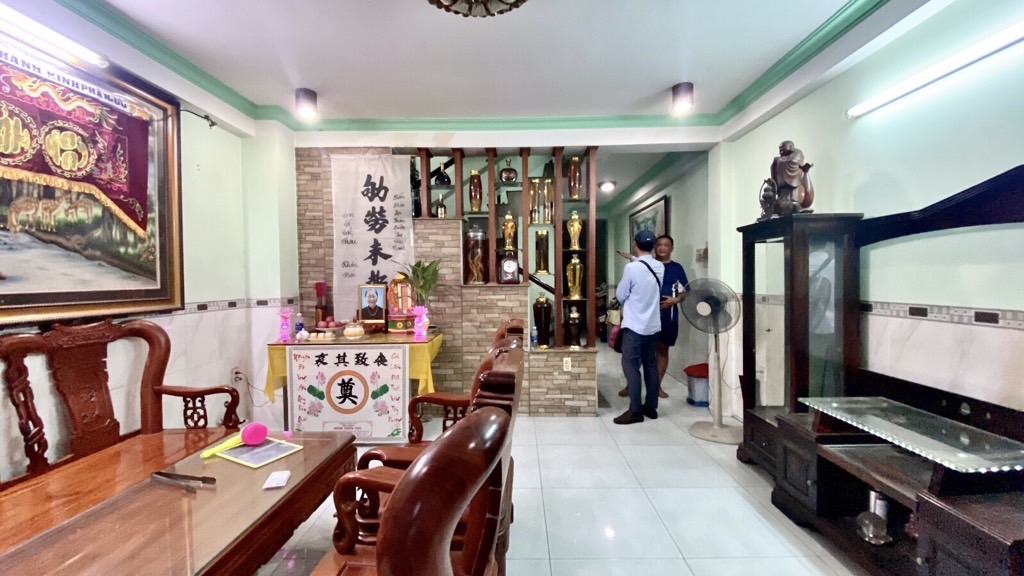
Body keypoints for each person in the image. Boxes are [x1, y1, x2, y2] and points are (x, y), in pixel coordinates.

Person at [617, 234, 687, 399]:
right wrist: (632, 257)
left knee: (662, 350)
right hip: (644, 317)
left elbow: (686, 290)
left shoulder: (676, 268)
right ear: (654, 247)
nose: (662, 248)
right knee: (639, 353)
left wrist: (675, 300)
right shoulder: (649, 265)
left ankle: (657, 387)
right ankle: (631, 386)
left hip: (667, 316)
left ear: (672, 248)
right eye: (659, 244)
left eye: (666, 245)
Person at [613, 229, 664, 425]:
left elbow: (621, 295)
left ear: (635, 243)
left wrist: (632, 261)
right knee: (650, 365)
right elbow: (645, 266)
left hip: (634, 326)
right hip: (653, 325)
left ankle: (635, 411)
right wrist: (633, 258)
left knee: (631, 367)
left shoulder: (631, 269)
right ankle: (651, 407)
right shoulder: (659, 267)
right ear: (653, 246)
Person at [770, 140, 815, 211]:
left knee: (795, 201)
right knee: (780, 204)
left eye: (783, 148)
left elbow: (792, 160)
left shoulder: (797, 153)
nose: (780, 151)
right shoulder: (777, 160)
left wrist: (779, 160)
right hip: (782, 191)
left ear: (790, 147)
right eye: (780, 149)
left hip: (796, 188)